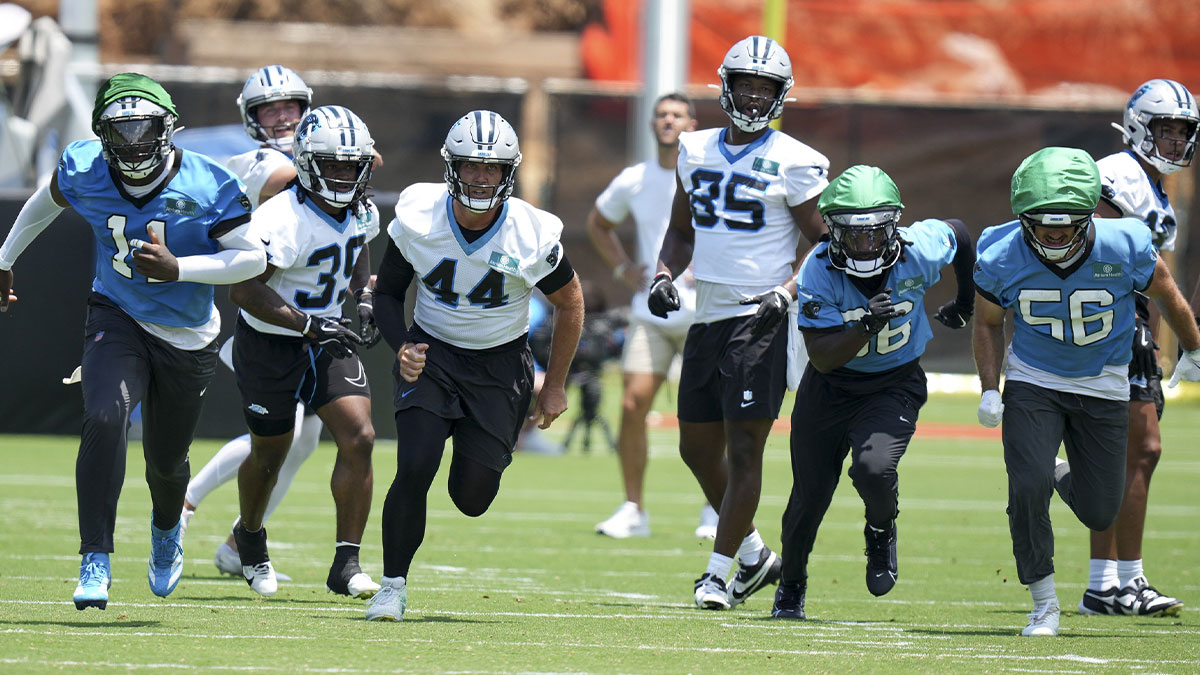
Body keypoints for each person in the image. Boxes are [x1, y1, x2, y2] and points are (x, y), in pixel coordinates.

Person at [0, 73, 265, 610]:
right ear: (102, 134)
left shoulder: (208, 182)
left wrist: (180, 268)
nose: (134, 142)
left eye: (145, 128)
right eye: (121, 132)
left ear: (168, 128)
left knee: (166, 463)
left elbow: (254, 257)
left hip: (187, 335)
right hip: (116, 313)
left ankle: (167, 528)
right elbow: (43, 202)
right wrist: (4, 259)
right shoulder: (83, 166)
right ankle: (94, 556)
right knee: (104, 416)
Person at [972, 147, 1200, 637]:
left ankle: (1057, 473)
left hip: (1105, 384)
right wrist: (991, 388)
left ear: (1091, 212)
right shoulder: (1000, 251)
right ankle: (1044, 605)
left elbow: (1169, 295)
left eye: (1066, 221)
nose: (1054, 232)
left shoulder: (1126, 243)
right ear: (1023, 216)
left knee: (1100, 509)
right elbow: (988, 322)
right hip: (1034, 380)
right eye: (1042, 221)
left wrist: (1193, 349)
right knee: (1026, 489)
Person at [368, 110, 584, 621]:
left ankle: (478, 459)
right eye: (472, 166)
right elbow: (388, 294)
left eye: (493, 168)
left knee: (472, 498)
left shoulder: (530, 231)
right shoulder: (420, 216)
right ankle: (392, 585)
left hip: (499, 368)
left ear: (509, 171)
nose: (482, 178)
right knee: (414, 464)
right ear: (452, 167)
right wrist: (401, 345)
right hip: (433, 355)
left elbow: (571, 303)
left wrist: (553, 386)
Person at [648, 35, 830, 610]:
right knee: (696, 448)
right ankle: (753, 556)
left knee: (745, 448)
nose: (753, 95)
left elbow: (824, 242)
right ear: (725, 87)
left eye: (765, 87)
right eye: (745, 84)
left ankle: (718, 573)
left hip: (763, 316)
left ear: (781, 95)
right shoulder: (695, 148)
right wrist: (663, 275)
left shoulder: (795, 159)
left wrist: (788, 290)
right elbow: (681, 230)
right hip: (709, 317)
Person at [773, 165, 976, 619]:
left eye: (875, 233)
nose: (866, 244)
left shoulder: (918, 250)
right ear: (832, 232)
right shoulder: (818, 271)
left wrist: (966, 301)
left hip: (894, 383)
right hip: (830, 386)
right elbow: (823, 357)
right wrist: (865, 325)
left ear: (894, 226)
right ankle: (791, 585)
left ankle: (881, 530)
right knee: (808, 498)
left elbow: (959, 233)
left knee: (874, 468)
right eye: (853, 234)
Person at [227, 104, 382, 599]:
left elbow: (358, 247)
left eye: (350, 165)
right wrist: (308, 324)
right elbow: (244, 291)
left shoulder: (362, 208)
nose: (342, 174)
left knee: (359, 436)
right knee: (270, 452)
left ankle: (346, 562)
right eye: (331, 164)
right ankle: (250, 537)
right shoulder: (281, 217)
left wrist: (365, 296)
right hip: (271, 342)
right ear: (308, 161)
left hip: (325, 336)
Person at [181, 64, 320, 583]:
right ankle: (187, 500)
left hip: (308, 315)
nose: (282, 117)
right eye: (270, 109)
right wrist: (335, 152)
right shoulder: (259, 160)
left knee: (303, 440)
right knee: (283, 434)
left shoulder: (319, 159)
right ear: (252, 119)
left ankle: (240, 542)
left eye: (290, 107)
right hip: (267, 315)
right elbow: (300, 176)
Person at [1077, 79, 1198, 618]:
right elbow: (1095, 248)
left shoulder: (1148, 183)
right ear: (1136, 128)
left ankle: (1110, 584)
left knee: (1129, 453)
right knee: (1140, 449)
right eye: (1164, 130)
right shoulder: (1117, 176)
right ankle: (1120, 580)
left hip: (1128, 322)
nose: (1174, 142)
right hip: (1114, 323)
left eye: (1182, 131)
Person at [587, 92, 721, 540]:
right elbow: (598, 223)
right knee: (631, 403)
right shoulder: (635, 179)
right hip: (652, 310)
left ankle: (715, 508)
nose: (668, 121)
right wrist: (625, 269)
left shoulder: (711, 174)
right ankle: (633, 509)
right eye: (661, 115)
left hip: (705, 311)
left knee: (711, 413)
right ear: (652, 125)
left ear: (693, 123)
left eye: (677, 115)